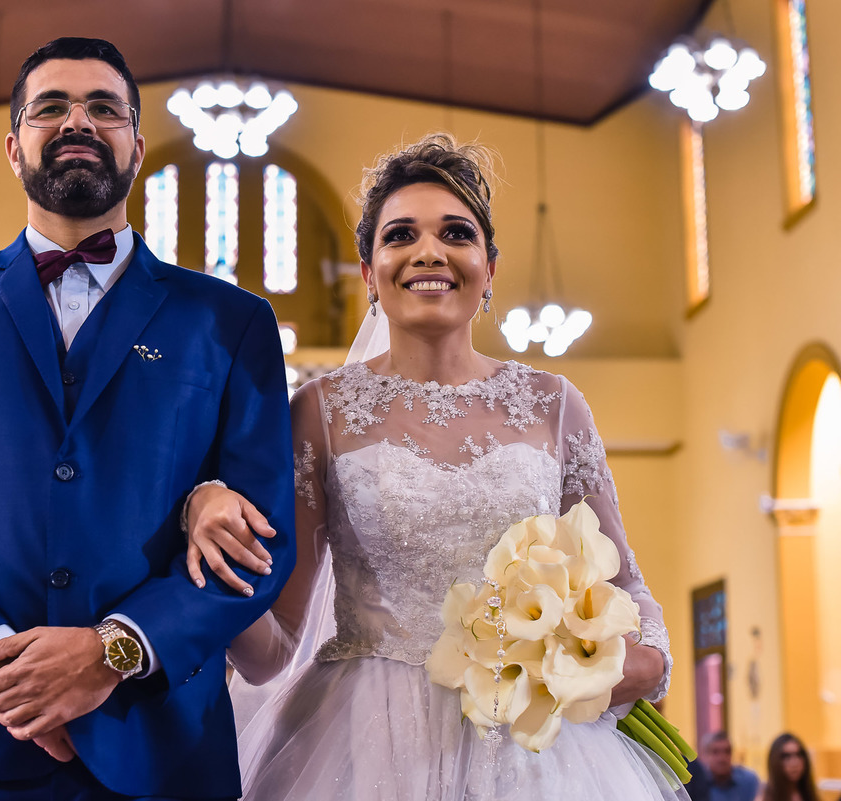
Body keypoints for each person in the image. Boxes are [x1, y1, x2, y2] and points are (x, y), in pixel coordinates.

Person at [0, 36, 295, 800]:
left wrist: (114, 651)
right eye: (52, 106)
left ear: (137, 147)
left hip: (160, 750)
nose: (78, 120)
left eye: (103, 108)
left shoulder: (231, 322)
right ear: (14, 148)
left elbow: (262, 533)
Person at [184, 132, 685, 800]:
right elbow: (278, 645)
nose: (429, 251)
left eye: (456, 232)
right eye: (400, 236)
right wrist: (213, 562)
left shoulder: (555, 405)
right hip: (366, 740)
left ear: (489, 268)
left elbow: (627, 582)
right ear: (369, 273)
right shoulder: (320, 411)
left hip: (537, 746)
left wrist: (644, 659)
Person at [702, 732, 760, 801]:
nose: (722, 758)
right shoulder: (698, 784)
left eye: (727, 751)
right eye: (716, 752)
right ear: (706, 755)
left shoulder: (749, 781)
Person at [761, 733, 818, 801]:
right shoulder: (763, 796)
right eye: (786, 757)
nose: (794, 763)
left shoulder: (808, 794)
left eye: (799, 755)